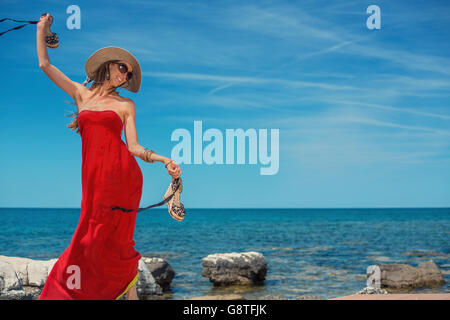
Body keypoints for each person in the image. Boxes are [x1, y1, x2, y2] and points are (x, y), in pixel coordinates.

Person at [36, 14, 181, 300]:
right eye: (122, 68)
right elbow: (45, 64)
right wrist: (41, 30)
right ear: (109, 66)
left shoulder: (126, 104)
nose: (125, 75)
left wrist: (163, 159)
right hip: (93, 179)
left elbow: (134, 148)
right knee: (88, 239)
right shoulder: (81, 94)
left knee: (112, 240)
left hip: (121, 178)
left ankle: (127, 293)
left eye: (128, 73)